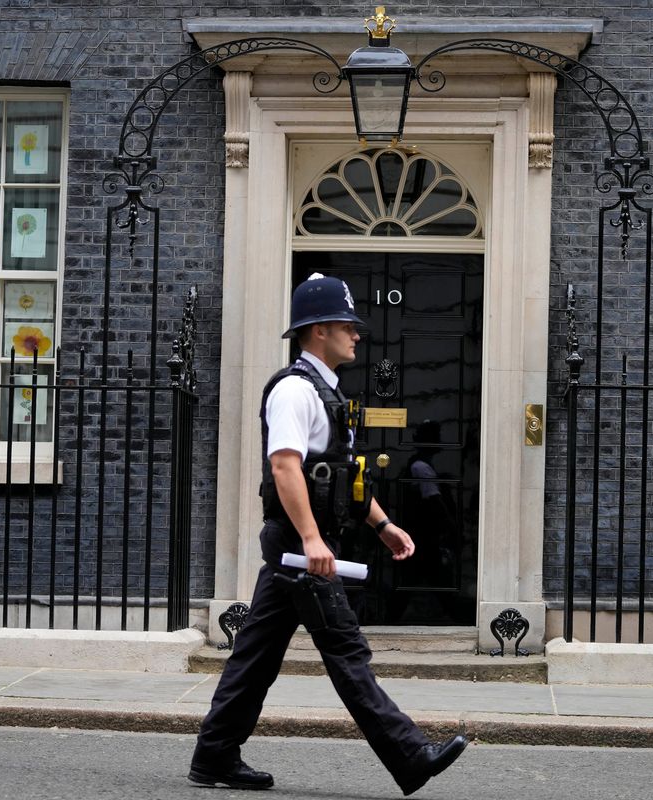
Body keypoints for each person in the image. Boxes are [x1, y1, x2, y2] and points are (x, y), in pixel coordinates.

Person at [188, 273, 467, 795]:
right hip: (300, 546)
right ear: (318, 331)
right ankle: (410, 755)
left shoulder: (328, 393)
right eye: (347, 325)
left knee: (256, 654)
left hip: (303, 542)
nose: (357, 334)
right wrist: (313, 541)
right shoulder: (294, 390)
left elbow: (339, 476)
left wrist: (382, 524)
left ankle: (215, 756)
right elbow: (286, 468)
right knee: (345, 648)